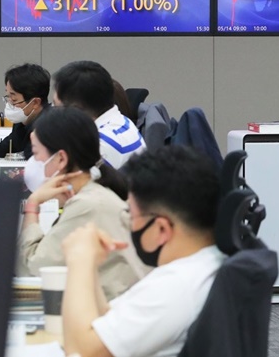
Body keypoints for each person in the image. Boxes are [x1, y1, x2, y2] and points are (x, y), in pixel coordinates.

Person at [61, 145, 225, 357]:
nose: (129, 224)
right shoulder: (205, 263)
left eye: (131, 214)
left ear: (161, 229)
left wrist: (79, 260)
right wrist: (90, 266)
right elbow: (110, 323)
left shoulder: (177, 286)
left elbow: (82, 352)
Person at [17, 107, 147, 300]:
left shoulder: (88, 205)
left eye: (35, 153)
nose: (33, 161)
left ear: (61, 158)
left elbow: (31, 269)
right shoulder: (92, 194)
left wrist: (32, 206)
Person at [52, 60, 146, 169]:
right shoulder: (122, 122)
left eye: (56, 107)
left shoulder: (99, 147)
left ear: (75, 111)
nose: (52, 112)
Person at [0, 63, 51, 159]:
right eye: (8, 97)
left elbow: (32, 160)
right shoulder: (22, 123)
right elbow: (1, 149)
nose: (9, 104)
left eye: (14, 100)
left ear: (35, 102)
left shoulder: (49, 127)